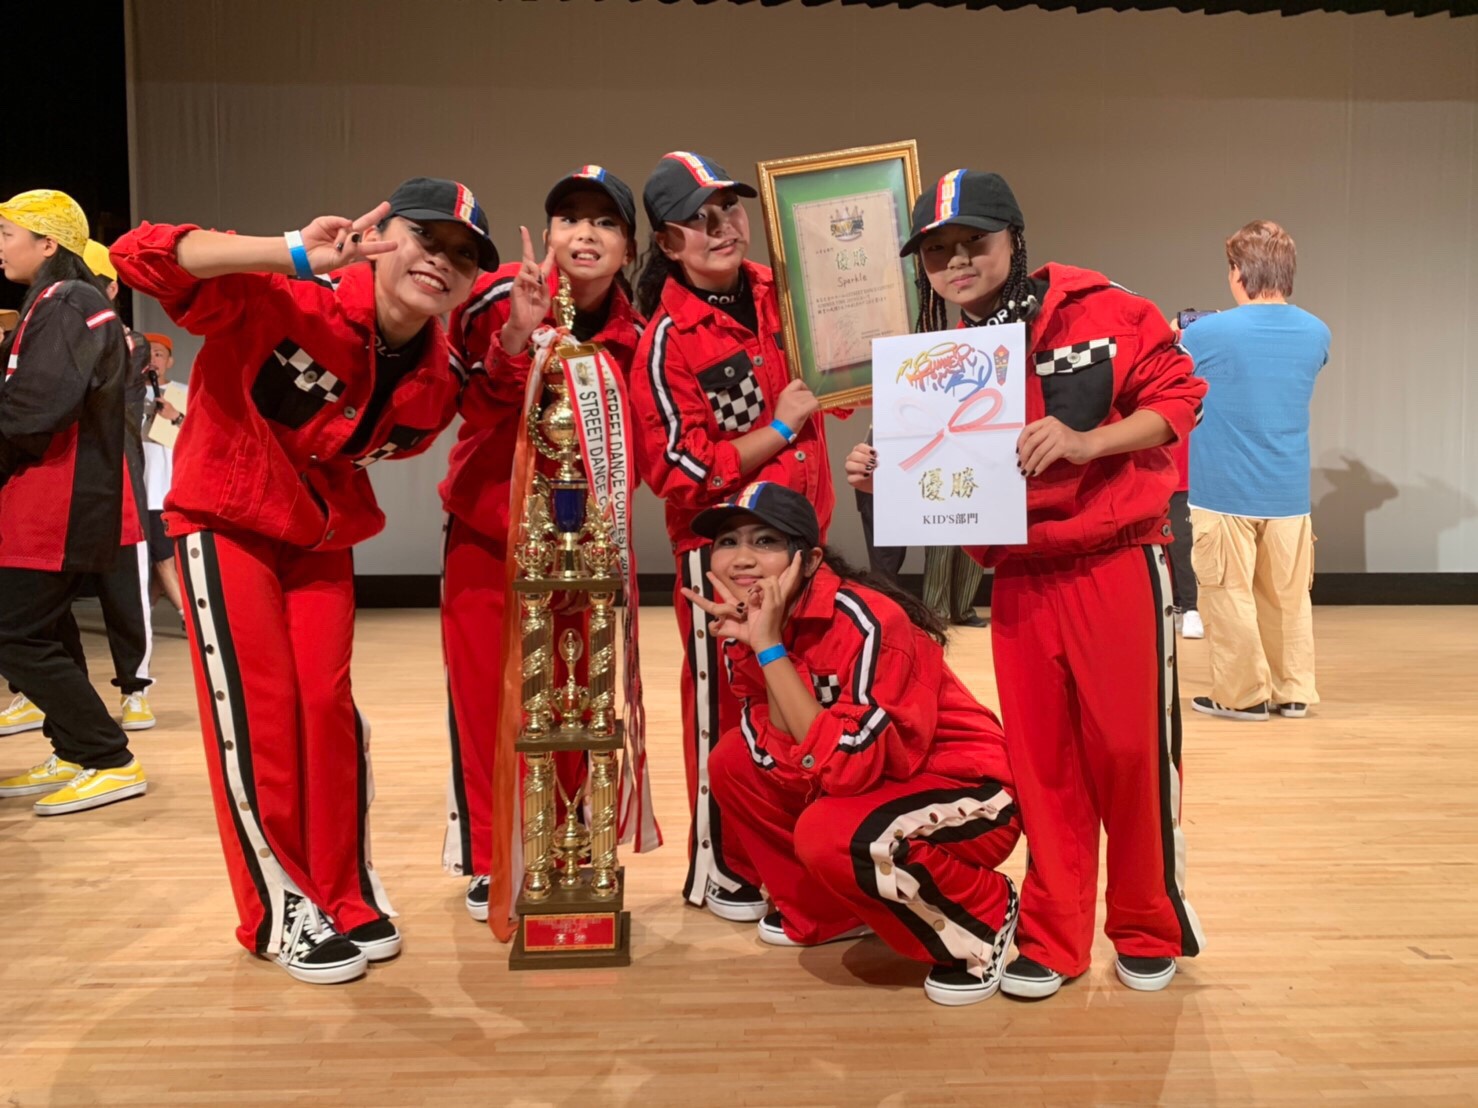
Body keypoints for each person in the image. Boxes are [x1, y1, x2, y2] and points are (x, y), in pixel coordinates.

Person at [111, 177, 496, 984]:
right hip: (226, 521)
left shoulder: (433, 374)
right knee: (260, 715)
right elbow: (140, 257)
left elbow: (421, 431)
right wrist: (287, 251)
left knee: (327, 708)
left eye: (463, 257)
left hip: (317, 538)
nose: (441, 262)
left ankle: (342, 890)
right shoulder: (290, 294)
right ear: (382, 237)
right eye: (427, 239)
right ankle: (278, 906)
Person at [848, 169, 1207, 999]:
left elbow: (1182, 396)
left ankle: (1147, 924)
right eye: (937, 252)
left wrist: (1090, 442)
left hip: (1115, 560)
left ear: (1014, 238)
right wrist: (883, 476)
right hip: (1017, 578)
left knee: (1130, 752)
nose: (956, 262)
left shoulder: (1099, 309)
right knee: (1042, 762)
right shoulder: (938, 361)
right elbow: (944, 479)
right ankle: (1053, 932)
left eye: (972, 242)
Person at [690, 481, 1022, 1007]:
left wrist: (770, 649)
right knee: (733, 762)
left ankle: (984, 919)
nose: (742, 558)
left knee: (829, 833)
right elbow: (784, 755)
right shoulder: (756, 621)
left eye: (765, 541)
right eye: (728, 542)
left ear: (809, 559)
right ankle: (834, 913)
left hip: (971, 792)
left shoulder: (869, 620)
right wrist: (766, 647)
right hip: (884, 783)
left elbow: (848, 771)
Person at [629, 151, 836, 922]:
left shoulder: (786, 293)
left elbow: (836, 386)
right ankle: (721, 865)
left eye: (730, 210)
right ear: (668, 242)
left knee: (800, 705)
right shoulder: (667, 339)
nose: (722, 229)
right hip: (725, 562)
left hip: (806, 552)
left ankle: (796, 856)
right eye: (699, 220)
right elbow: (679, 470)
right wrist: (779, 428)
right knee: (727, 713)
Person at [440, 166, 642, 926]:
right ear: (549, 232)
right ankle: (493, 855)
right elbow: (462, 402)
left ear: (629, 248)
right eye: (570, 219)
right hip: (489, 538)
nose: (585, 234)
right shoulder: (496, 297)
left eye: (606, 222)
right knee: (485, 701)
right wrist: (516, 339)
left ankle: (565, 843)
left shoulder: (637, 338)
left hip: (585, 554)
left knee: (577, 702)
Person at [0, 189, 148, 815]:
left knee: (11, 630)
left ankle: (107, 757)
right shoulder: (60, 299)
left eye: (7, 234)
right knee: (45, 629)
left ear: (47, 243)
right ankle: (73, 748)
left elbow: (34, 409)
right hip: (49, 493)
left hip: (58, 496)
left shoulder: (68, 302)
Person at [1180, 220, 1329, 722]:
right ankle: (1293, 691)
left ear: (1239, 271)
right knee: (1287, 598)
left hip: (1222, 490)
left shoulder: (1204, 333)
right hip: (1288, 492)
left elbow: (1176, 361)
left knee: (1228, 597)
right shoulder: (1317, 332)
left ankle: (1241, 695)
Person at [141, 332, 185, 617]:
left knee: (166, 557)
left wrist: (176, 417)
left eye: (158, 353)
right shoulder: (129, 394)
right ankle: (186, 616)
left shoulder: (186, 392)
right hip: (146, 489)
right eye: (147, 353)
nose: (152, 359)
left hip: (176, 488)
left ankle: (143, 614)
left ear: (170, 361)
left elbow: (203, 437)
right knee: (163, 556)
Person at [1167, 423, 1202, 639]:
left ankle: (1191, 609)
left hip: (1186, 484)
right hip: (1158, 480)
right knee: (1166, 548)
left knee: (1182, 545)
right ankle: (1178, 606)